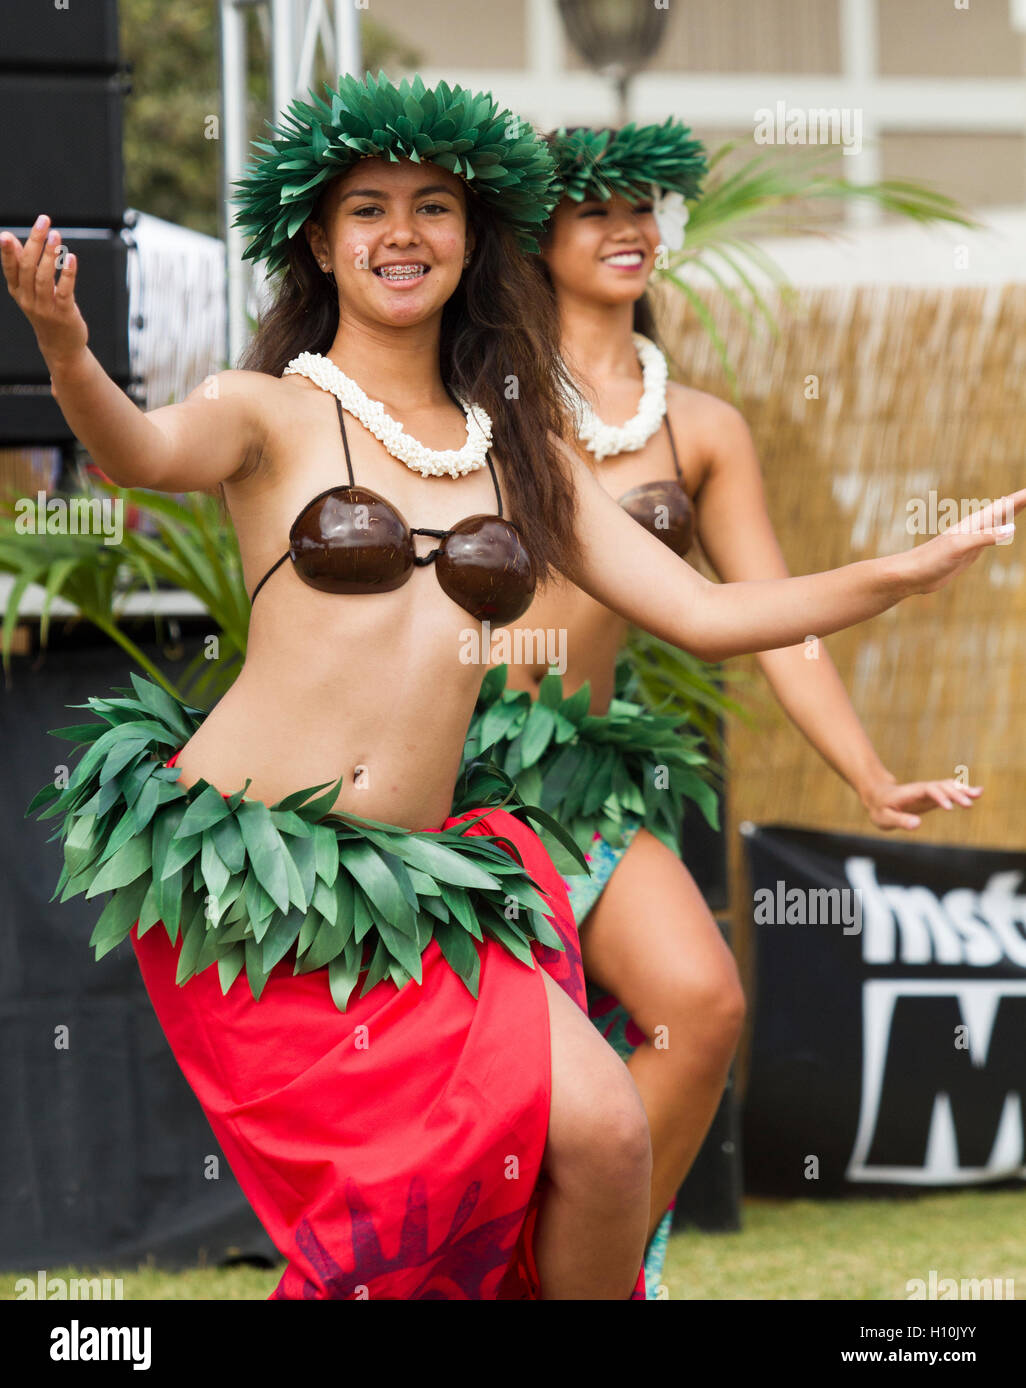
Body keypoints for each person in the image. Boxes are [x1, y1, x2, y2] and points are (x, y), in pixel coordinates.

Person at [6, 73, 1021, 1302]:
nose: (400, 233)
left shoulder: (517, 446)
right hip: (261, 887)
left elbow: (705, 610)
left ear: (475, 238)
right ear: (320, 244)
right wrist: (65, 346)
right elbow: (136, 449)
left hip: (418, 885)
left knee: (602, 1132)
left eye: (434, 207)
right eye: (367, 208)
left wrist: (903, 569)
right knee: (411, 1220)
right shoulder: (263, 411)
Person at [462, 119, 1005, 1295]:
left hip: (582, 772)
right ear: (537, 234)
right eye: (598, 208)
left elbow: (774, 614)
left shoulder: (701, 428)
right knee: (497, 1079)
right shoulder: (484, 396)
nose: (629, 229)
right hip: (448, 774)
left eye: (644, 206)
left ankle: (584, 1280)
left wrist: (865, 768)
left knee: (702, 1005)